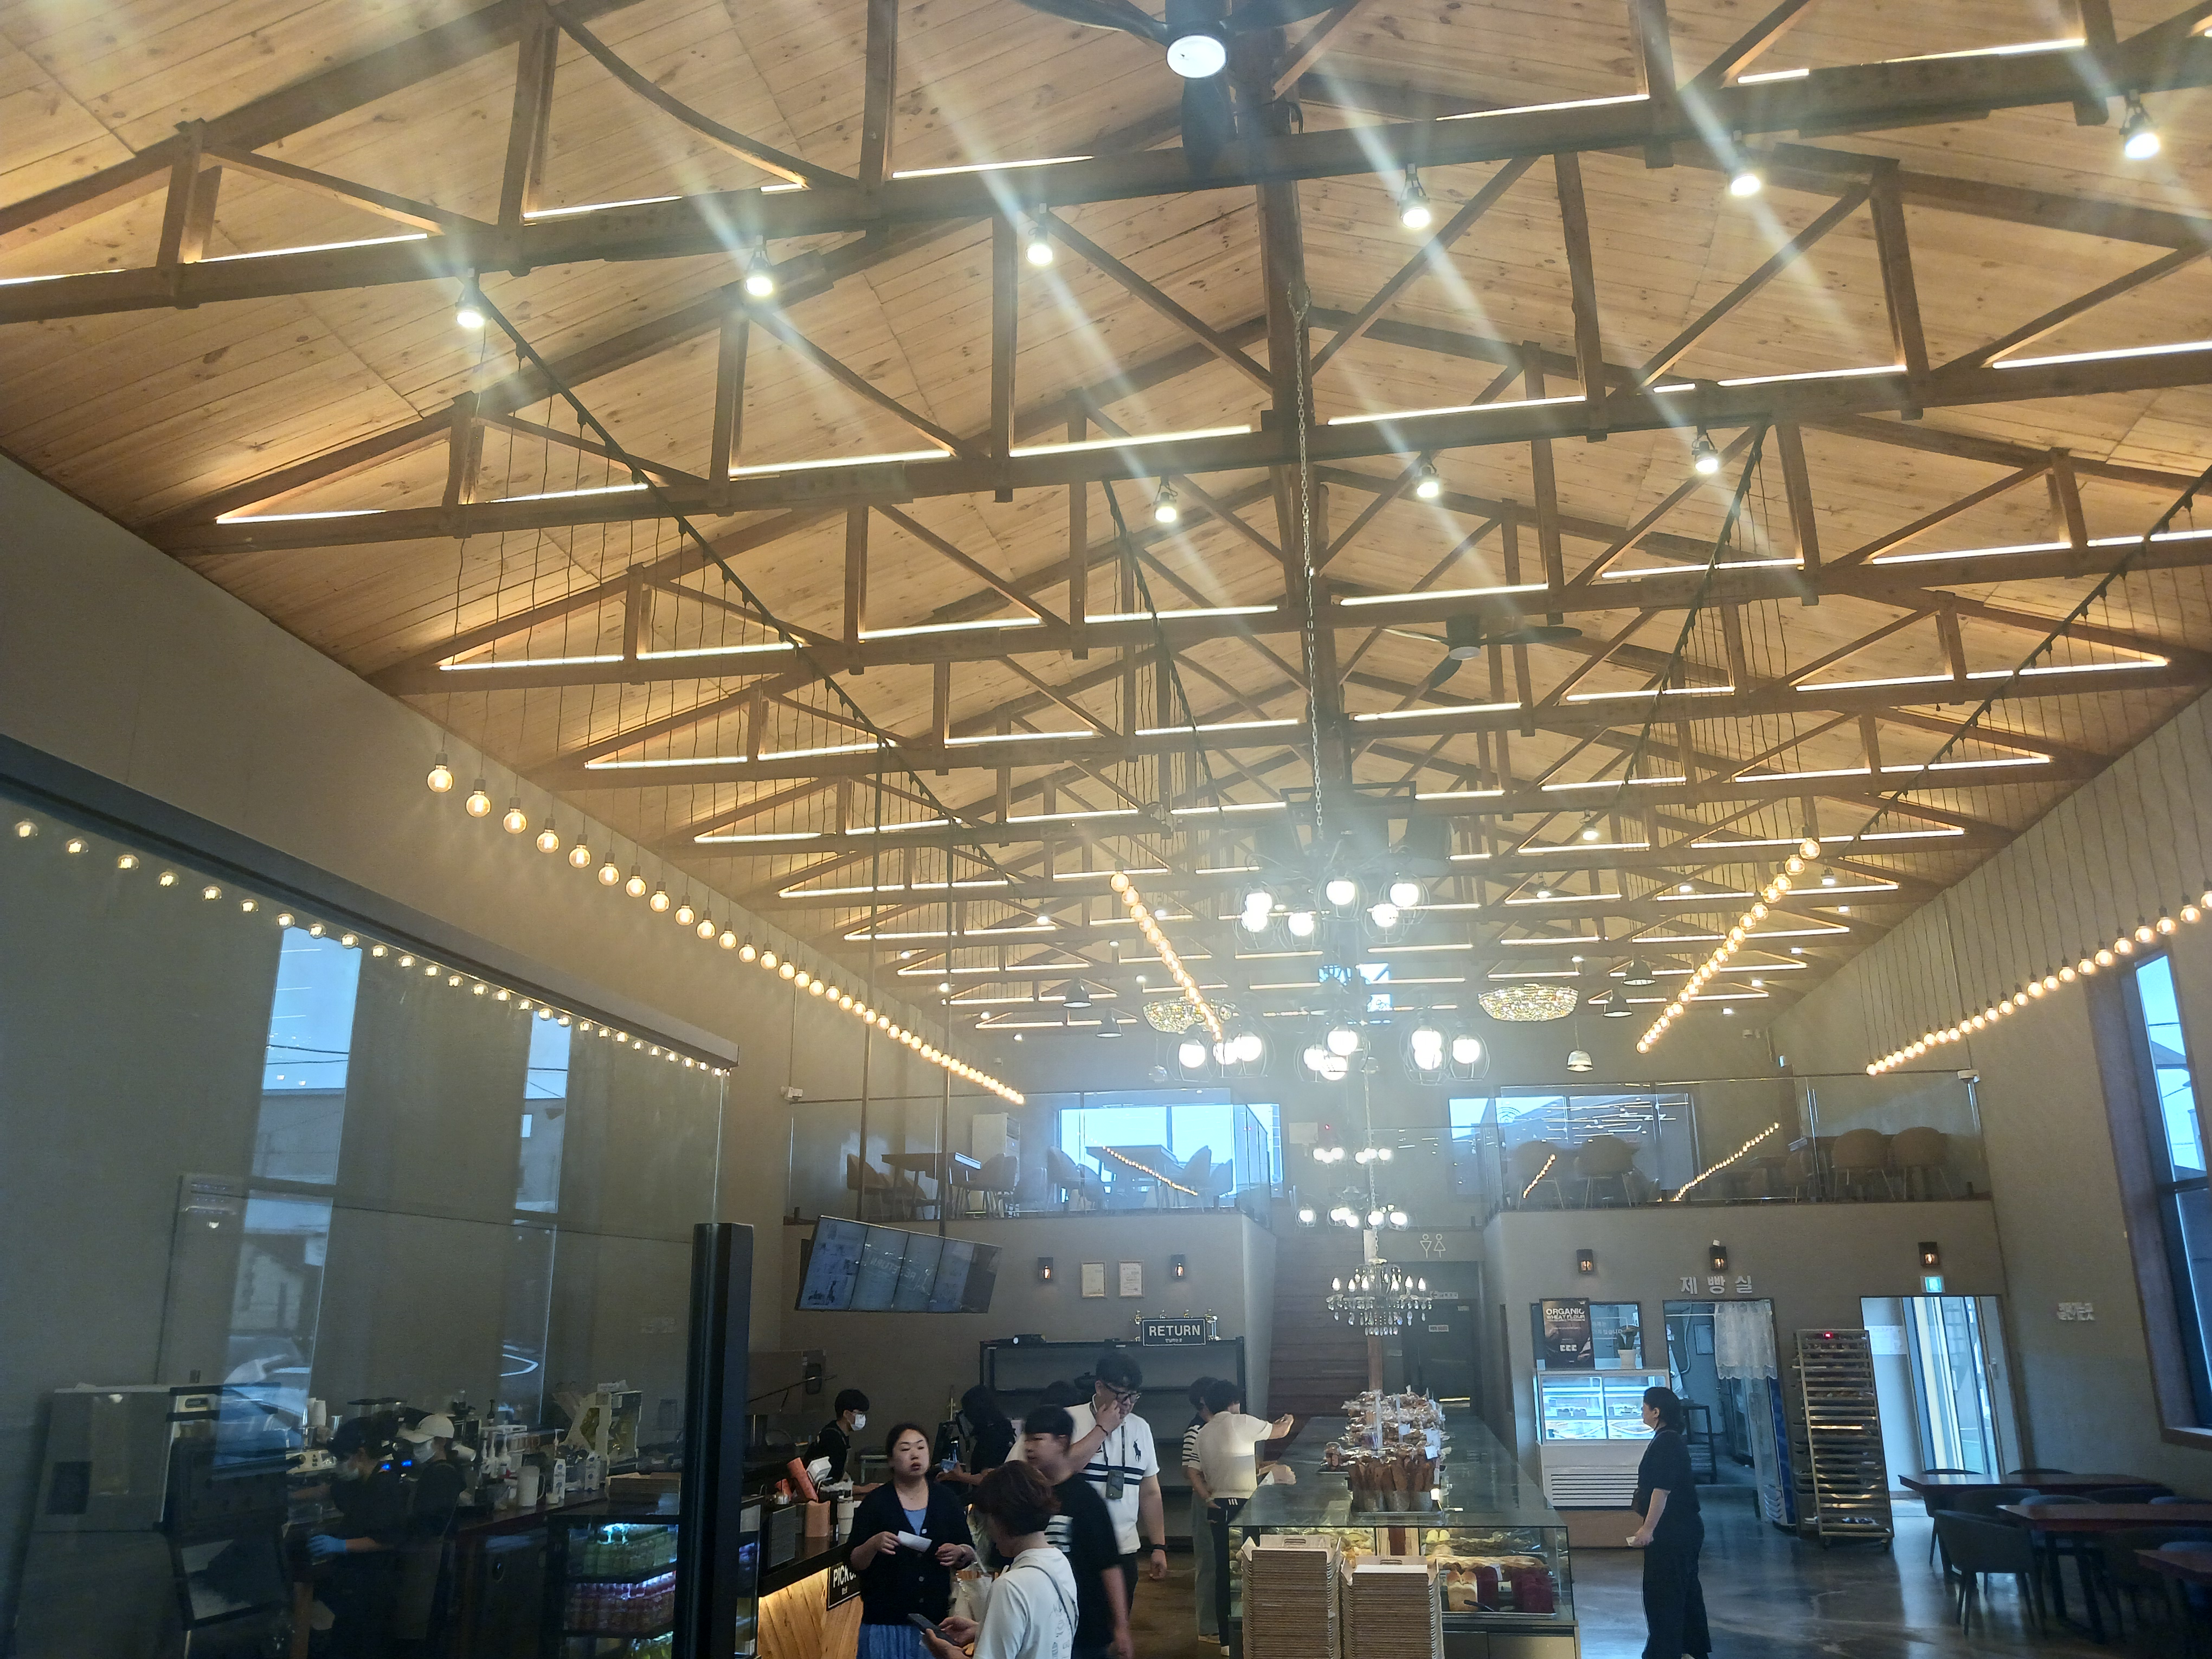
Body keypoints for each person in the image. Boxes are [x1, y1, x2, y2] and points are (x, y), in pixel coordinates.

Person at [1034, 1351, 1167, 1606]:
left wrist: (1159, 1546)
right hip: (1072, 1548)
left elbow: (1150, 1491)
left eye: (1134, 1396)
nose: (1127, 1404)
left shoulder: (1141, 1428)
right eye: (1121, 1395)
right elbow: (1062, 1469)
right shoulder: (1069, 1420)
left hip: (1123, 1548)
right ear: (1099, 1387)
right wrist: (1102, 1428)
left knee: (1117, 1621)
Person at [850, 1423, 981, 1659]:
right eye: (905, 1449)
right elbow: (855, 1561)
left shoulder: (946, 1499)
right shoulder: (876, 1503)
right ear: (891, 1460)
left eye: (921, 1448)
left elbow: (969, 1550)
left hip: (934, 1625)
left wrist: (959, 1551)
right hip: (884, 1623)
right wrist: (873, 1544)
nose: (915, 1455)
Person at [924, 1463, 1076, 1659]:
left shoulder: (1010, 1586)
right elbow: (1040, 1633)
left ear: (1001, 1517)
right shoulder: (1060, 1562)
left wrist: (945, 1652)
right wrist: (982, 1629)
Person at [1021, 1405, 1130, 1659]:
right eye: (1027, 1440)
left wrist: (1121, 1627)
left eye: (1037, 1440)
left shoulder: (1085, 1500)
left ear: (1062, 1442)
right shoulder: (1025, 1496)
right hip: (1036, 1625)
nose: (1029, 1448)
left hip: (1084, 1630)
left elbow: (1109, 1565)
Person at [1194, 1380, 1294, 1648]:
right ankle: (1257, 1635)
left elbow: (1204, 1470)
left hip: (1217, 1505)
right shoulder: (1241, 1422)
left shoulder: (1203, 1432)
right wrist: (1289, 1419)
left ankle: (1227, 1642)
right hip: (1244, 1505)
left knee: (1223, 1572)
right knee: (1253, 1567)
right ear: (1234, 1402)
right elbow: (1281, 1431)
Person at [307, 1414, 409, 1658]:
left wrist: (342, 1545)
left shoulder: (384, 1486)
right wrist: (286, 1496)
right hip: (355, 1587)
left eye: (343, 1458)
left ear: (360, 1454)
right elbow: (328, 1490)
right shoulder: (361, 1481)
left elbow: (387, 1540)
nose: (339, 1465)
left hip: (373, 1589)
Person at [1628, 1386, 1707, 1659]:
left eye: (1644, 1407)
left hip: (1674, 1531)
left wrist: (1648, 1529)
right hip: (1682, 1530)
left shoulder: (1667, 1443)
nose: (1642, 1412)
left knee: (1664, 1594)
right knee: (1682, 1590)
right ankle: (1688, 1649)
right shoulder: (1667, 1439)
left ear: (1656, 1412)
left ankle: (1667, 1652)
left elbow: (1661, 1491)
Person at [393, 1413, 472, 1652]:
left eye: (422, 1443)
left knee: (420, 1633)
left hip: (428, 1564)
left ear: (441, 1442)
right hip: (427, 1560)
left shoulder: (442, 1475)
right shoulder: (440, 1471)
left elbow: (428, 1523)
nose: (416, 1449)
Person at [1180, 1378, 1219, 1643]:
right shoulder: (1197, 1429)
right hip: (1205, 1499)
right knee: (1208, 1562)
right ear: (1204, 1401)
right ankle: (1208, 1626)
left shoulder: (1215, 1427)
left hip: (1218, 1497)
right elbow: (1188, 1469)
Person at [943, 1386, 1017, 1488]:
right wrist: (955, 1476)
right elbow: (982, 1473)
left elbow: (988, 1478)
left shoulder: (992, 1438)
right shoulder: (1002, 1431)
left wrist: (960, 1476)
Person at [812, 1388, 870, 1483]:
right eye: (860, 1414)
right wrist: (863, 1488)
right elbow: (831, 1484)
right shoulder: (833, 1438)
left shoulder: (838, 1432)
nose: (863, 1418)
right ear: (846, 1414)